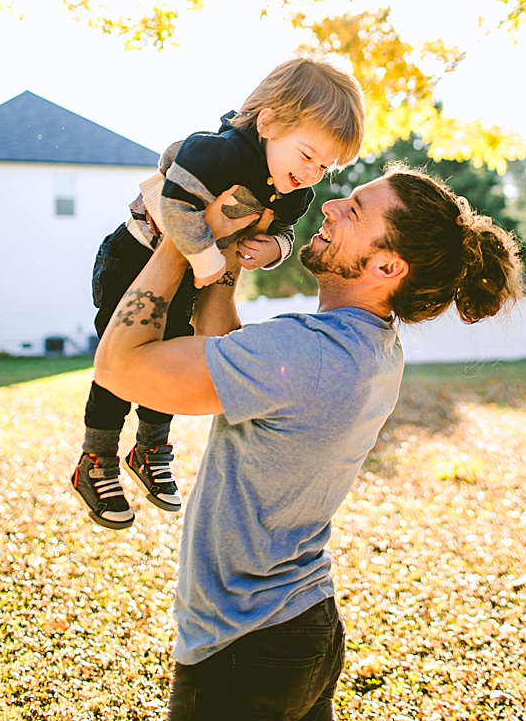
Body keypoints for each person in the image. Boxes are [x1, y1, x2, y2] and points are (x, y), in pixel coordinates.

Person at [93, 163, 524, 721]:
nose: (329, 206)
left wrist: (181, 234)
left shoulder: (309, 354)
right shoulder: (365, 346)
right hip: (299, 629)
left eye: (356, 211)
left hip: (242, 646)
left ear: (386, 267)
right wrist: (221, 263)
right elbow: (229, 348)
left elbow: (120, 367)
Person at [71, 55, 365, 530]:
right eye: (307, 156)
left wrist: (271, 247)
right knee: (118, 364)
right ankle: (96, 457)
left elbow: (286, 232)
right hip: (134, 260)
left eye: (325, 167)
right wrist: (209, 260)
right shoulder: (218, 152)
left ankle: (150, 446)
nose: (312, 174)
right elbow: (176, 209)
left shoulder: (295, 191)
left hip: (190, 277)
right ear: (268, 122)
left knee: (167, 357)